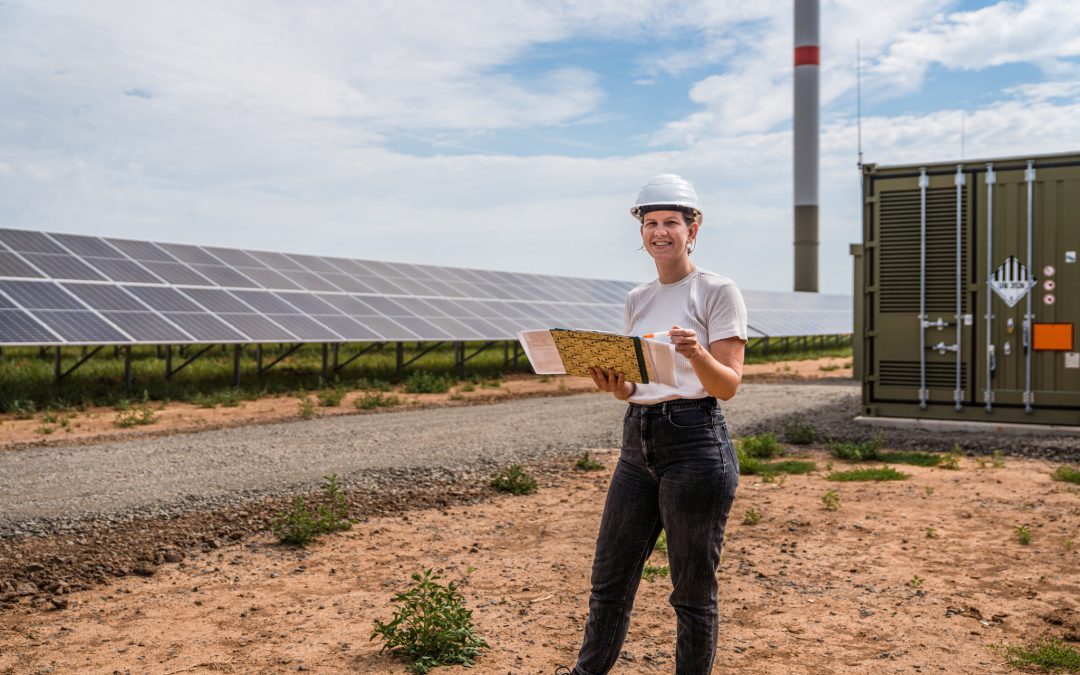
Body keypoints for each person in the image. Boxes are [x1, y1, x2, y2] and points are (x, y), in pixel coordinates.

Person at [560, 174, 747, 674]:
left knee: (691, 590)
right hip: (637, 441)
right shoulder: (637, 298)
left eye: (671, 223)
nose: (660, 232)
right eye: (650, 223)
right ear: (641, 232)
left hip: (696, 442)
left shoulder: (717, 291)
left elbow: (727, 384)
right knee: (609, 580)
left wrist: (695, 351)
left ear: (694, 229)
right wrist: (614, 384)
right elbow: (636, 385)